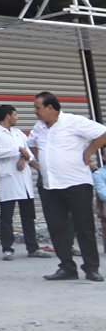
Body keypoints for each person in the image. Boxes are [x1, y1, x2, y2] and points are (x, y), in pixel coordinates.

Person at [27, 91, 106, 282]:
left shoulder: (74, 121)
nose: (35, 112)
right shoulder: (39, 127)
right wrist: (44, 161)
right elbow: (31, 144)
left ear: (50, 108)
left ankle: (91, 268)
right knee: (57, 227)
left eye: (38, 108)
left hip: (77, 183)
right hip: (50, 186)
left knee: (84, 226)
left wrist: (89, 151)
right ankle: (67, 267)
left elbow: (102, 133)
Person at [0, 104, 48, 261]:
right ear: (8, 116)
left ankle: (32, 247)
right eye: (15, 114)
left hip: (24, 178)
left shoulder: (18, 133)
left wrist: (23, 156)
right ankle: (7, 249)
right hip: (8, 178)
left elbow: (29, 153)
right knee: (6, 217)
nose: (17, 117)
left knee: (28, 216)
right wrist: (19, 151)